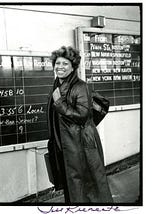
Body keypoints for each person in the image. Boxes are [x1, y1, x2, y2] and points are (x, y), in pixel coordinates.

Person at [47, 46, 113, 203]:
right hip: (66, 144)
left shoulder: (80, 86)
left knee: (87, 186)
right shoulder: (58, 84)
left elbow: (83, 116)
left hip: (81, 145)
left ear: (72, 67)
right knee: (73, 184)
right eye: (58, 63)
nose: (60, 67)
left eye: (65, 64)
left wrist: (60, 104)